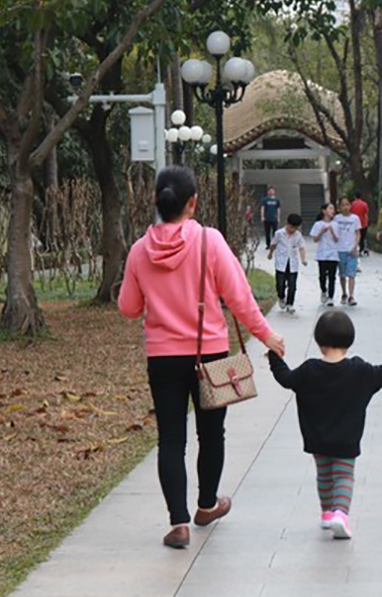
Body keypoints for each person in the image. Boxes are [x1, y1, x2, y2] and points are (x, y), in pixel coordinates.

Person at [119, 165, 286, 550]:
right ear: (192, 202)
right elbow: (240, 299)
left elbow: (128, 308)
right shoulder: (210, 242)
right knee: (212, 434)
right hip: (209, 353)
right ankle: (207, 505)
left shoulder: (139, 251)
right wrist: (268, 335)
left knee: (170, 440)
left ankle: (178, 524)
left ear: (156, 201)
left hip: (162, 359)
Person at [268, 311, 382, 539]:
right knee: (343, 476)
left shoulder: (309, 370)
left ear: (319, 342)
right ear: (350, 340)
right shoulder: (360, 371)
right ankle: (341, 513)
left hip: (317, 439)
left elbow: (286, 378)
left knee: (324, 475)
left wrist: (273, 356)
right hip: (346, 439)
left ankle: (327, 513)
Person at [268, 213, 307, 314]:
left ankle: (290, 304)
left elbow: (301, 247)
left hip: (293, 264)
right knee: (280, 284)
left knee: (292, 285)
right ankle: (281, 297)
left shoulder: (298, 235)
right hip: (281, 263)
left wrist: (303, 259)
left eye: (295, 227)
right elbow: (273, 244)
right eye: (291, 227)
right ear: (287, 223)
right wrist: (270, 253)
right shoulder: (279, 233)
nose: (292, 230)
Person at [333, 197, 362, 306]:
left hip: (351, 249)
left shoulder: (355, 218)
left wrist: (355, 246)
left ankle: (351, 295)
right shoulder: (336, 219)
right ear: (339, 207)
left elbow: (358, 232)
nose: (345, 207)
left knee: (352, 274)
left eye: (347, 204)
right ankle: (344, 292)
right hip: (340, 249)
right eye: (343, 205)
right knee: (342, 274)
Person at [310, 203, 339, 306]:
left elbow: (337, 240)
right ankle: (324, 290)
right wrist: (321, 231)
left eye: (333, 208)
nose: (333, 211)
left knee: (332, 276)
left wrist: (332, 231)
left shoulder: (335, 224)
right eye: (330, 208)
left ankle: (331, 297)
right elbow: (315, 239)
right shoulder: (318, 224)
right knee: (322, 276)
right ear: (324, 211)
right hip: (322, 254)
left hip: (333, 254)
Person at [350, 192, 370, 256]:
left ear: (354, 196)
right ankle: (361, 249)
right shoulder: (364, 204)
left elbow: (351, 213)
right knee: (362, 237)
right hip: (363, 223)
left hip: (354, 224)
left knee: (355, 236)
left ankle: (356, 248)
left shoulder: (352, 204)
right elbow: (366, 213)